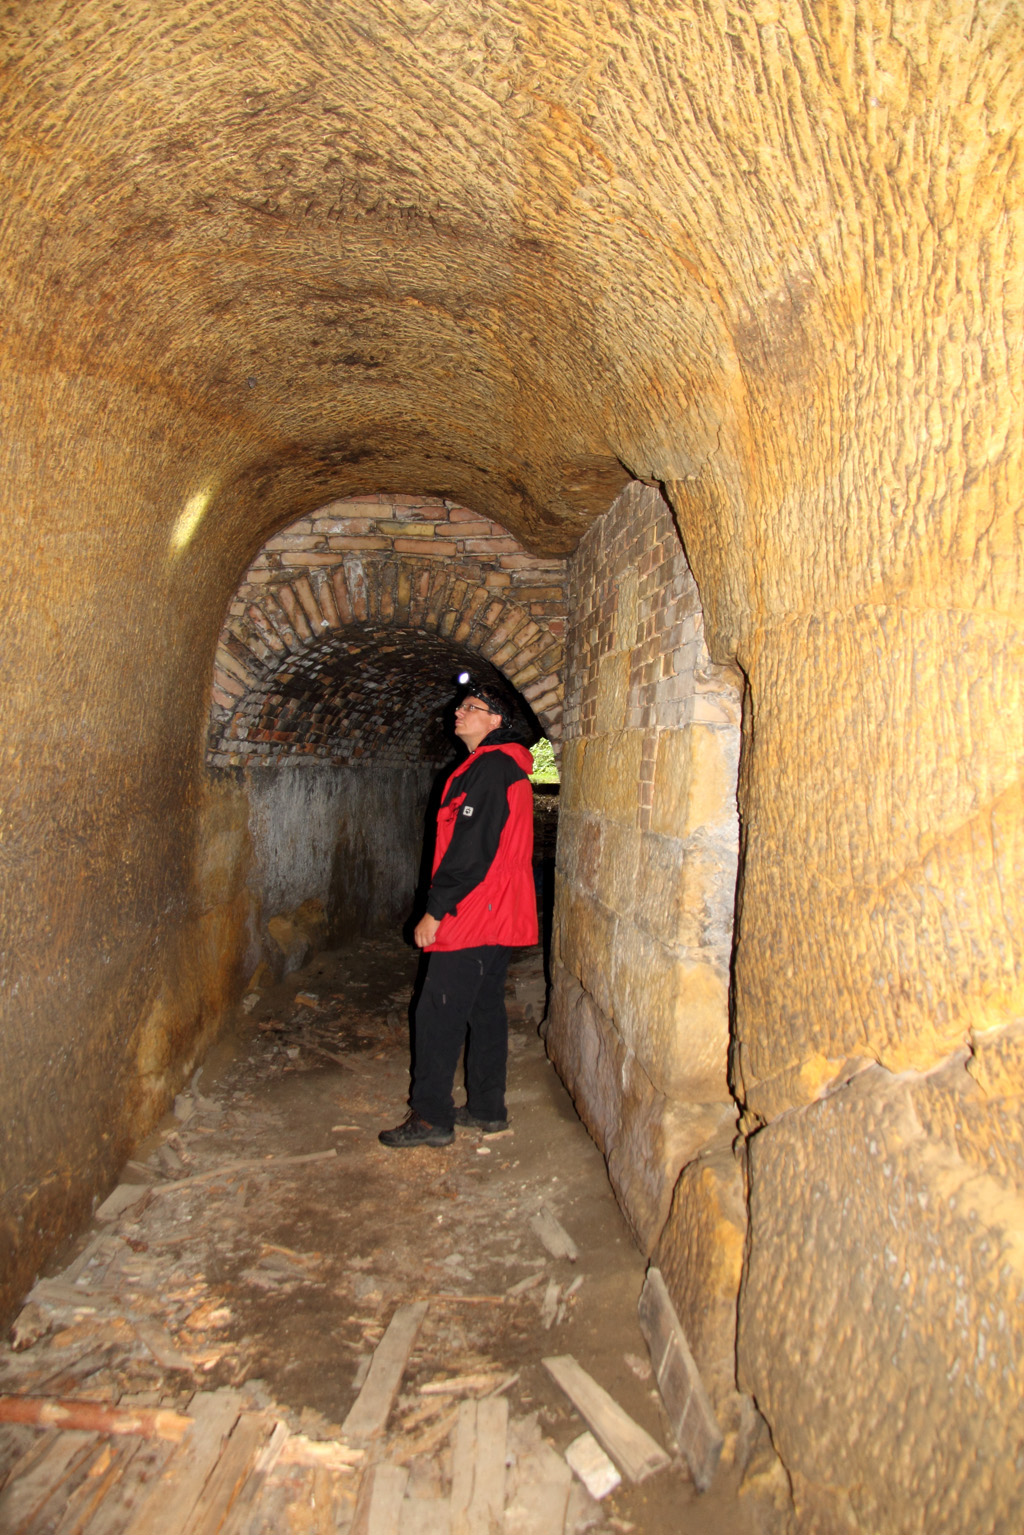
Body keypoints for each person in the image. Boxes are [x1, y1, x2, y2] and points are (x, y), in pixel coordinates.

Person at [379, 679, 538, 1148]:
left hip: (474, 911)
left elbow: (471, 851)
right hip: (496, 911)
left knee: (438, 1013)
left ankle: (431, 1117)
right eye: (460, 705)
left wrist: (435, 910)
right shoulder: (497, 767)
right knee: (485, 1008)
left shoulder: (489, 769)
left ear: (495, 722)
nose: (459, 712)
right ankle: (488, 1108)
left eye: (473, 707)